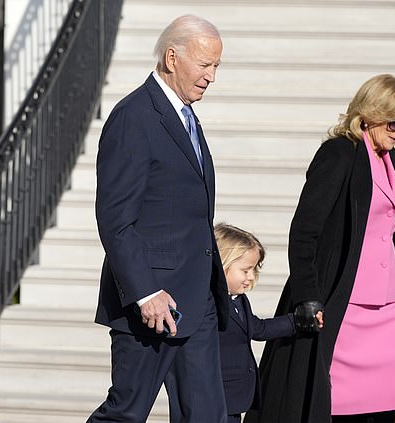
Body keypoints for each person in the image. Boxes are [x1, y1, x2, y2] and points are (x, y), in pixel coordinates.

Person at [245, 74, 395, 423]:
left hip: (389, 308)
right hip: (346, 304)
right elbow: (304, 232)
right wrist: (308, 295)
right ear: (372, 113)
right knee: (339, 407)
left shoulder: (393, 162)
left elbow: (394, 234)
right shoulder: (340, 153)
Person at [88, 15, 230, 423]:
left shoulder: (186, 118)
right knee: (126, 414)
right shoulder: (134, 116)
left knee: (206, 416)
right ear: (172, 57)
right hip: (152, 304)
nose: (211, 77)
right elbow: (115, 218)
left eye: (216, 66)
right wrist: (145, 292)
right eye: (205, 65)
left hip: (197, 299)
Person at [214, 223, 300, 423]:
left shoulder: (239, 300)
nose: (251, 277)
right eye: (245, 270)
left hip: (235, 397)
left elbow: (258, 329)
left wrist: (296, 321)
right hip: (215, 395)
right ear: (222, 263)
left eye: (254, 270)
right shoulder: (209, 303)